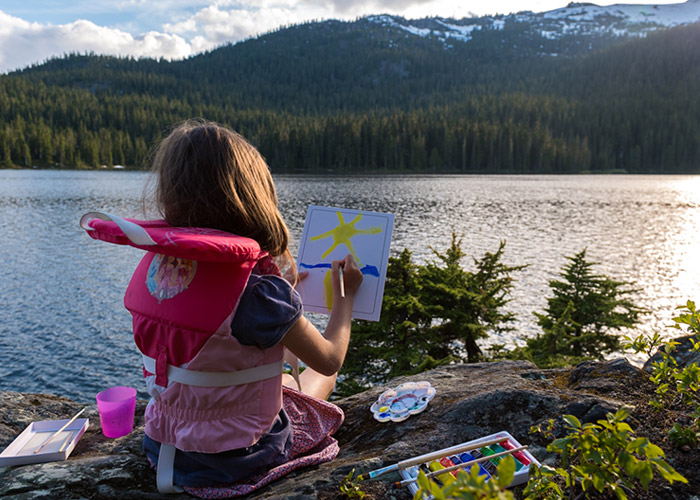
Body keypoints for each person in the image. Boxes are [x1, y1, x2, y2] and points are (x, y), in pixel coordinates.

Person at [82, 119, 363, 495]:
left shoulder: (158, 267)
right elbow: (329, 359)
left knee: (269, 380)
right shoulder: (260, 293)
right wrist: (344, 299)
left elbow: (215, 319)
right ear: (253, 197)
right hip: (238, 458)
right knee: (316, 378)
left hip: (164, 446)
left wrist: (285, 290)